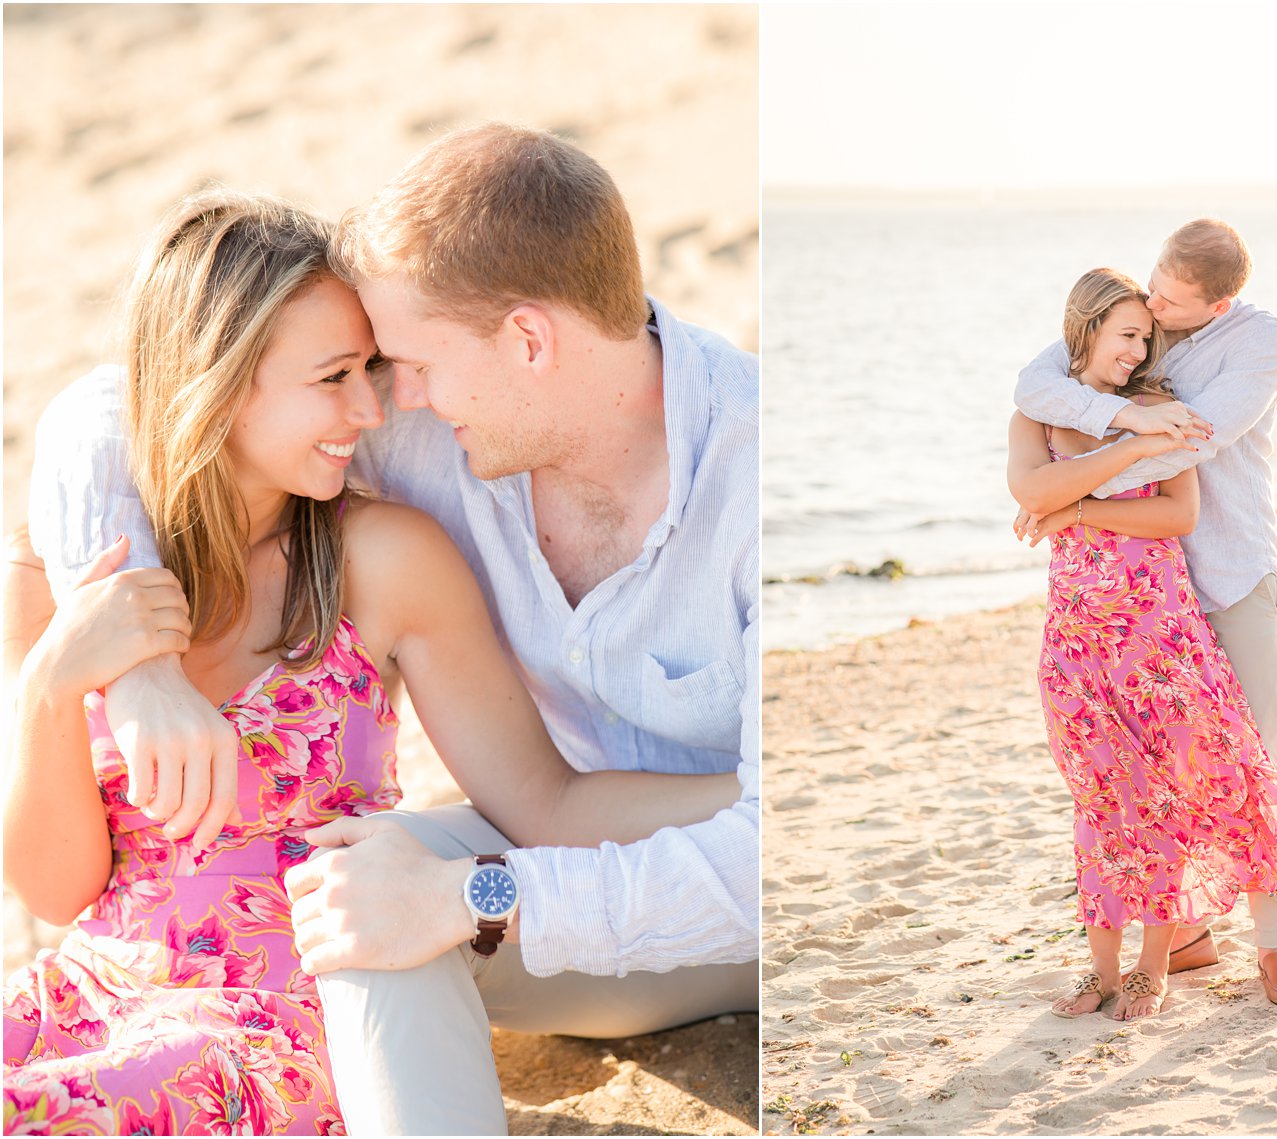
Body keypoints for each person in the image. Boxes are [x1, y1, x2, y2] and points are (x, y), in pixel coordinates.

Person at [19, 124, 758, 1134]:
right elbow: (111, 404)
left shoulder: (395, 546)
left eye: (393, 364)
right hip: (110, 980)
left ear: (528, 340)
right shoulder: (108, 553)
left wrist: (761, 800)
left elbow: (609, 821)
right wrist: (95, 676)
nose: (381, 404)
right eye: (349, 373)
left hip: (721, 897)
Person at [1012, 219, 1277, 1007]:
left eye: (1171, 300)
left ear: (1217, 306)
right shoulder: (1139, 329)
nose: (1153, 303)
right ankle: (1182, 935)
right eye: (1152, 283)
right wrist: (1124, 423)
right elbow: (1036, 388)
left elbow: (1190, 447)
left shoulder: (1257, 344)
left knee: (1254, 754)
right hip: (1144, 603)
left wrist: (1073, 500)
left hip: (1228, 574)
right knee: (1152, 770)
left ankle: (1276, 946)